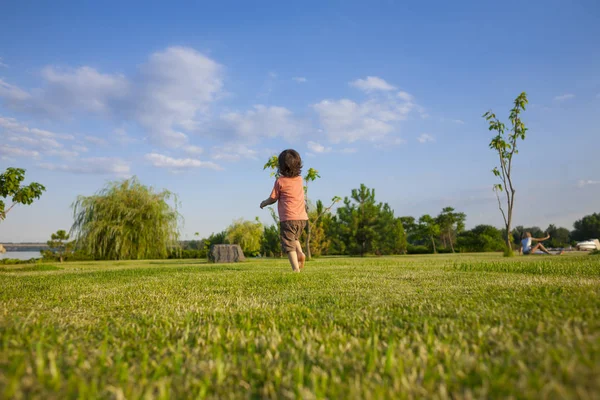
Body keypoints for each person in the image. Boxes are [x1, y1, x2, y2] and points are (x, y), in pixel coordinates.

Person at [260, 149, 309, 272]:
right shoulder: (300, 180)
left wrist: (264, 203)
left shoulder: (280, 181)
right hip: (302, 218)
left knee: (289, 245)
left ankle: (295, 269)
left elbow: (273, 198)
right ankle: (301, 253)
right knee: (294, 238)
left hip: (288, 218)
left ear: (281, 166)